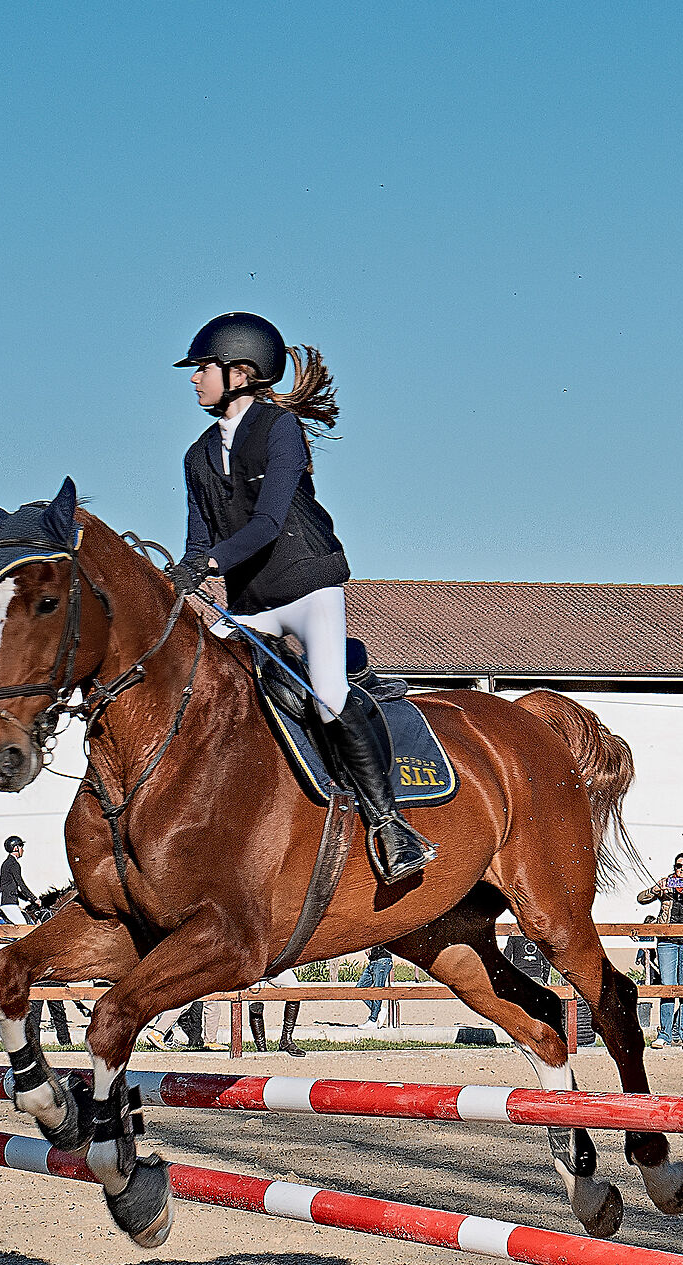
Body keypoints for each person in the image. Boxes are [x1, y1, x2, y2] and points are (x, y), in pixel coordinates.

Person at [169, 311, 433, 885]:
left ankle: (391, 826)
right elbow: (197, 539)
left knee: (328, 696)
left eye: (202, 369)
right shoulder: (195, 456)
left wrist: (208, 563)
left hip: (308, 587)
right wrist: (185, 571)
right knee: (202, 685)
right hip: (250, 605)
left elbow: (265, 525)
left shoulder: (279, 430)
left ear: (239, 373)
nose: (194, 379)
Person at [637, 854, 683, 1049]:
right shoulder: (666, 884)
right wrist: (656, 889)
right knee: (667, 987)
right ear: (675, 868)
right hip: (667, 941)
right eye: (679, 866)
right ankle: (665, 1034)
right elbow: (641, 898)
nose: (682, 869)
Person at [249, 969, 306, 1057]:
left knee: (293, 988)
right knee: (255, 1005)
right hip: (254, 970)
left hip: (273, 967)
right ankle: (261, 1049)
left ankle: (286, 1040)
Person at [0, 836, 38, 917]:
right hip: (9, 902)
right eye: (21, 846)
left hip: (5, 900)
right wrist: (34, 899)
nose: (23, 850)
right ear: (16, 848)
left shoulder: (7, 862)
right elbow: (21, 884)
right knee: (24, 927)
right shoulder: (14, 864)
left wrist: (27, 899)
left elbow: (13, 888)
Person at [356, 942, 394, 1030]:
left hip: (382, 961)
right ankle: (378, 1010)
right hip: (373, 962)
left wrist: (371, 945)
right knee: (359, 989)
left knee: (377, 991)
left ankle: (373, 1020)